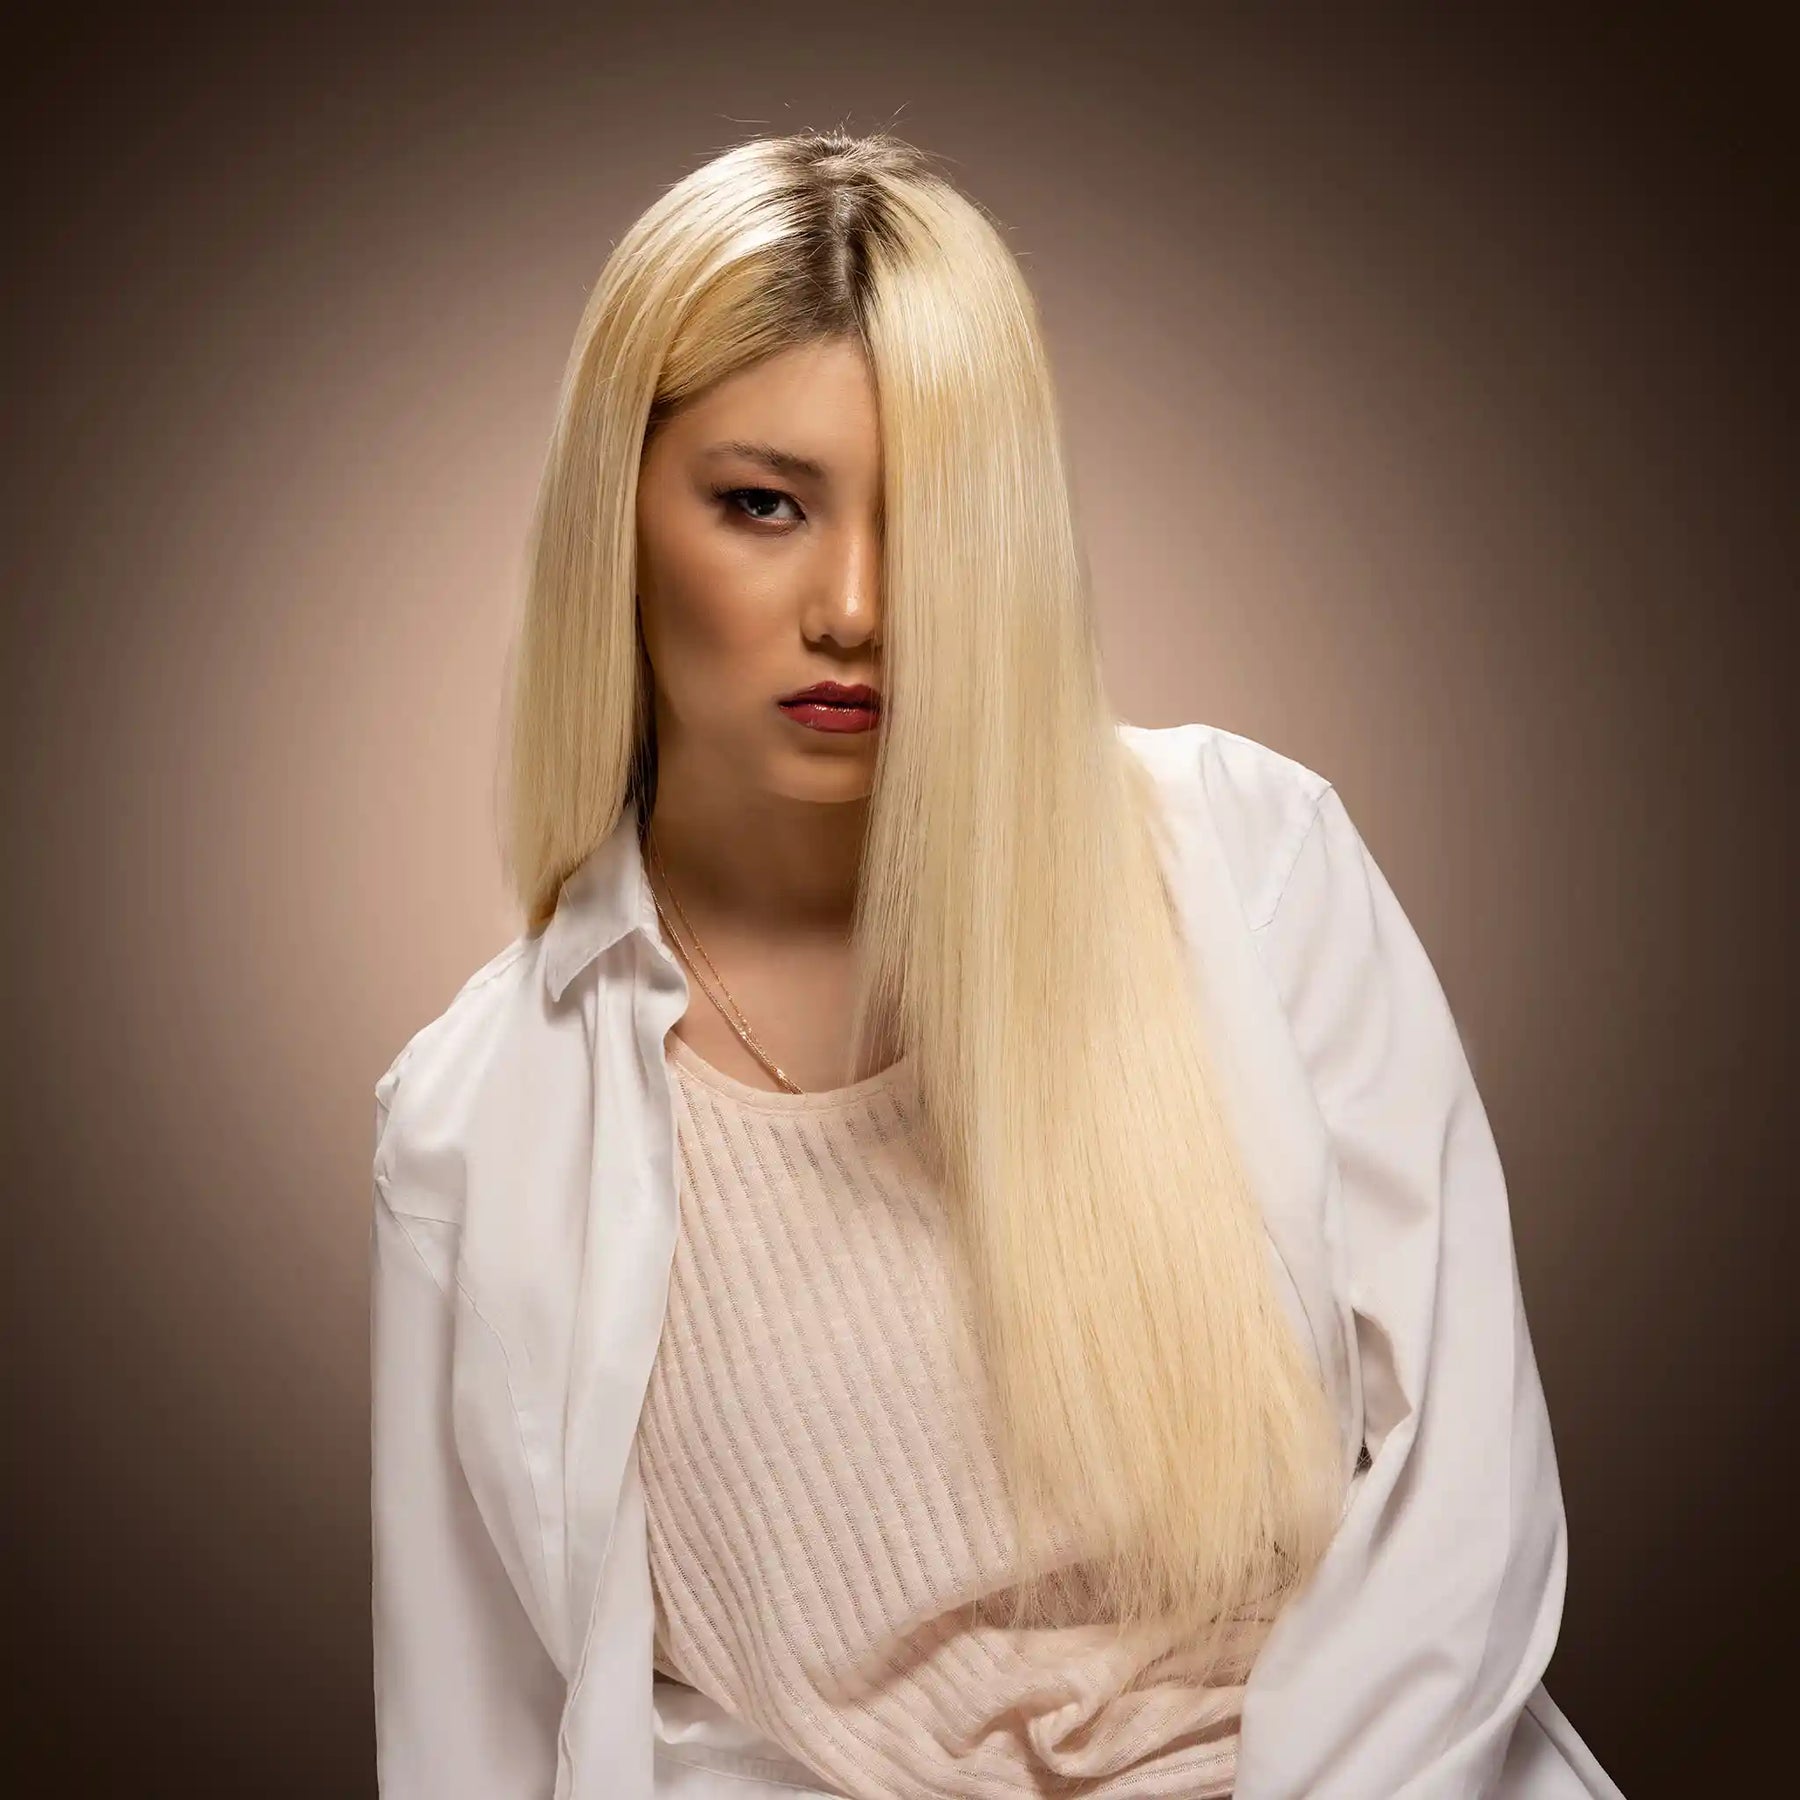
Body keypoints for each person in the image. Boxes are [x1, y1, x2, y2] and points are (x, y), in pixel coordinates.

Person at [369, 128, 1626, 1799]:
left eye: (935, 518)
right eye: (764, 505)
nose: (856, 605)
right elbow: (469, 1735)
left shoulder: (1244, 861)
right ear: (620, 513)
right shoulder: (472, 1124)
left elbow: (1462, 1502)